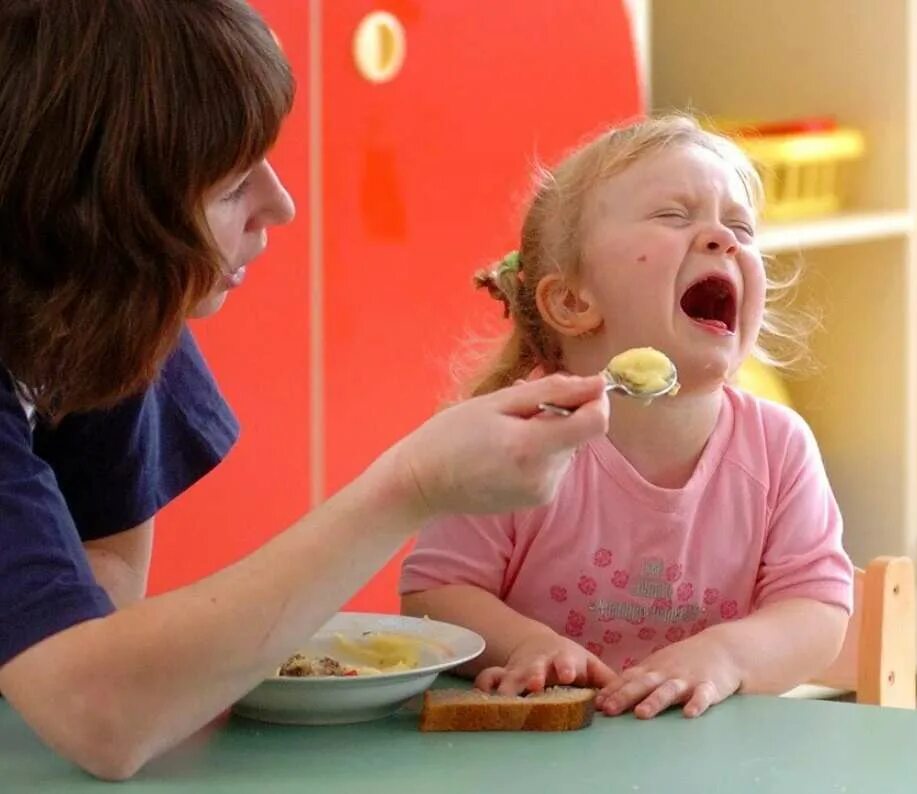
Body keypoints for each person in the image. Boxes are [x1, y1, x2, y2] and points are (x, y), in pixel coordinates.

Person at [0, 0, 608, 780]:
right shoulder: (116, 277)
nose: (280, 206)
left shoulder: (105, 304)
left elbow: (100, 591)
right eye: (227, 186)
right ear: (92, 215)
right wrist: (408, 486)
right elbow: (105, 716)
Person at [401, 115, 854, 720]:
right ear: (572, 300)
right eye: (673, 215)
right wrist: (528, 645)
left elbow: (816, 610)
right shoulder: (517, 439)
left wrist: (726, 657)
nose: (724, 238)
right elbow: (434, 595)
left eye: (740, 226)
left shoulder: (778, 448)